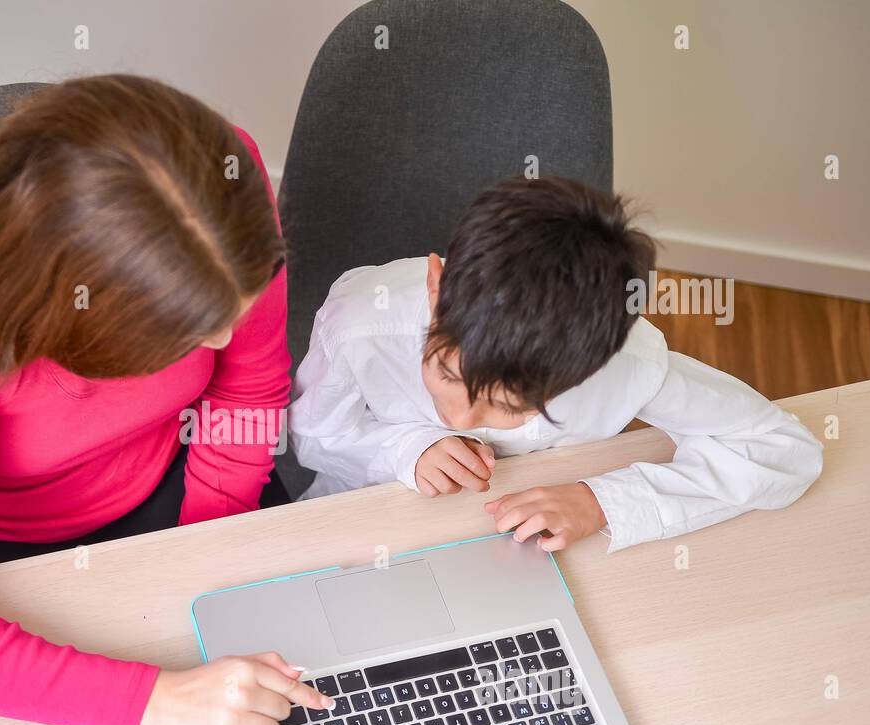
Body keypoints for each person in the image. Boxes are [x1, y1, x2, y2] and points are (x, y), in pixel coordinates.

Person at [0, 75, 331, 725]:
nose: (219, 342)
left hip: (188, 485)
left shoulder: (221, 197)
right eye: (183, 333)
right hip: (2, 556)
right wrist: (156, 700)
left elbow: (249, 388)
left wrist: (196, 558)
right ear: (70, 313)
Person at [289, 176, 823, 553]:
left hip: (527, 546)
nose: (459, 417)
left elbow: (782, 450)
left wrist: (603, 502)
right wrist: (404, 449)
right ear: (436, 288)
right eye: (448, 373)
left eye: (506, 407)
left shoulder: (622, 363)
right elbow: (312, 437)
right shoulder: (360, 324)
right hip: (363, 524)